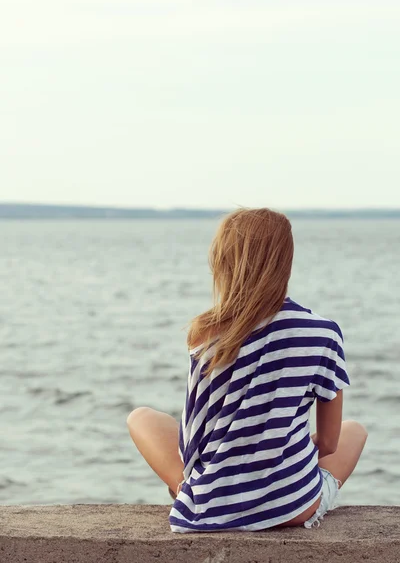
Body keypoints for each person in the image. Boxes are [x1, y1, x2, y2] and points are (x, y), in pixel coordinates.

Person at [127, 207, 367, 532]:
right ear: (286, 263)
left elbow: (192, 443)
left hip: (213, 503)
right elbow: (328, 443)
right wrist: (277, 451)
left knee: (141, 417)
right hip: (293, 506)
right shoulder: (323, 333)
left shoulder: (206, 333)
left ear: (222, 263)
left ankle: (191, 494)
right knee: (354, 430)